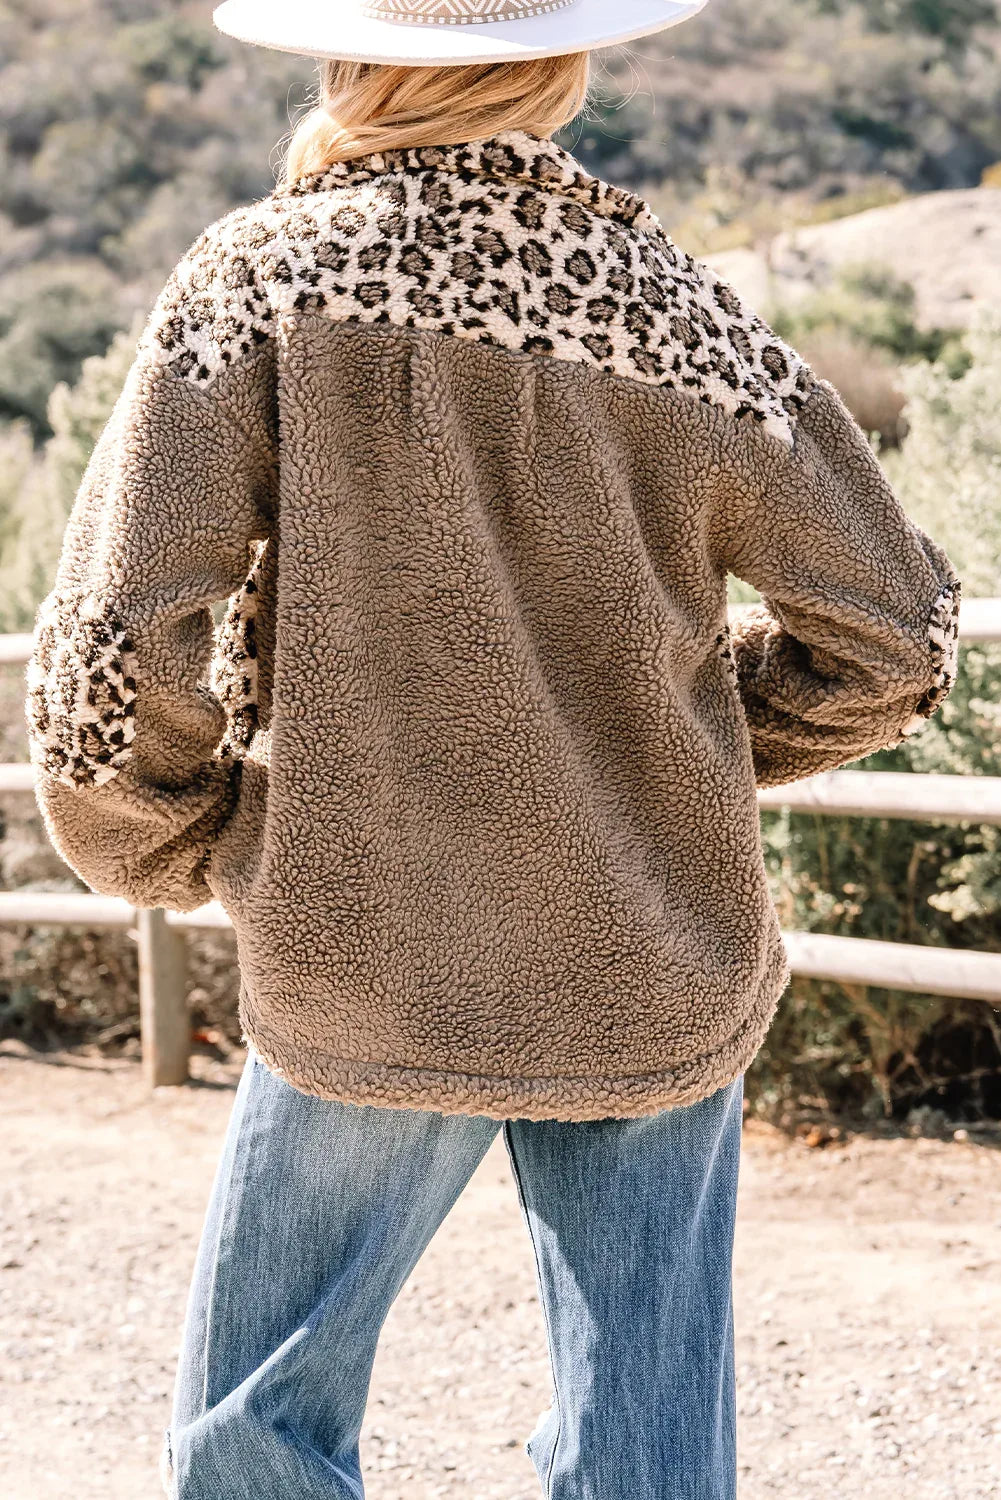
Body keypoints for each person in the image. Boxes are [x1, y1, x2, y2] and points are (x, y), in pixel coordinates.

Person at [24, 0, 962, 1495]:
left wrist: (190, 837)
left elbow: (111, 650)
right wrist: (684, 747)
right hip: (648, 956)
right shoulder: (671, 309)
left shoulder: (258, 281)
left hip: (362, 942)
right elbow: (899, 635)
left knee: (251, 1435)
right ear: (559, 57)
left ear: (350, 53)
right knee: (643, 1452)